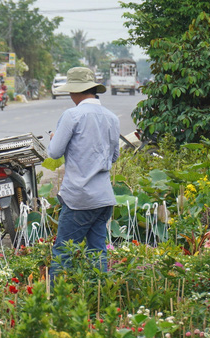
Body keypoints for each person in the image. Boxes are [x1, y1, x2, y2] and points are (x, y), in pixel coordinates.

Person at [47, 67, 119, 279]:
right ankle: (98, 294)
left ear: (77, 92)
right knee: (97, 251)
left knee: (63, 252)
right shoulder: (112, 118)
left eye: (71, 91)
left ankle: (56, 301)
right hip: (104, 197)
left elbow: (55, 152)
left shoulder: (73, 115)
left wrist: (54, 138)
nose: (70, 95)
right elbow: (114, 157)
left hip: (79, 197)